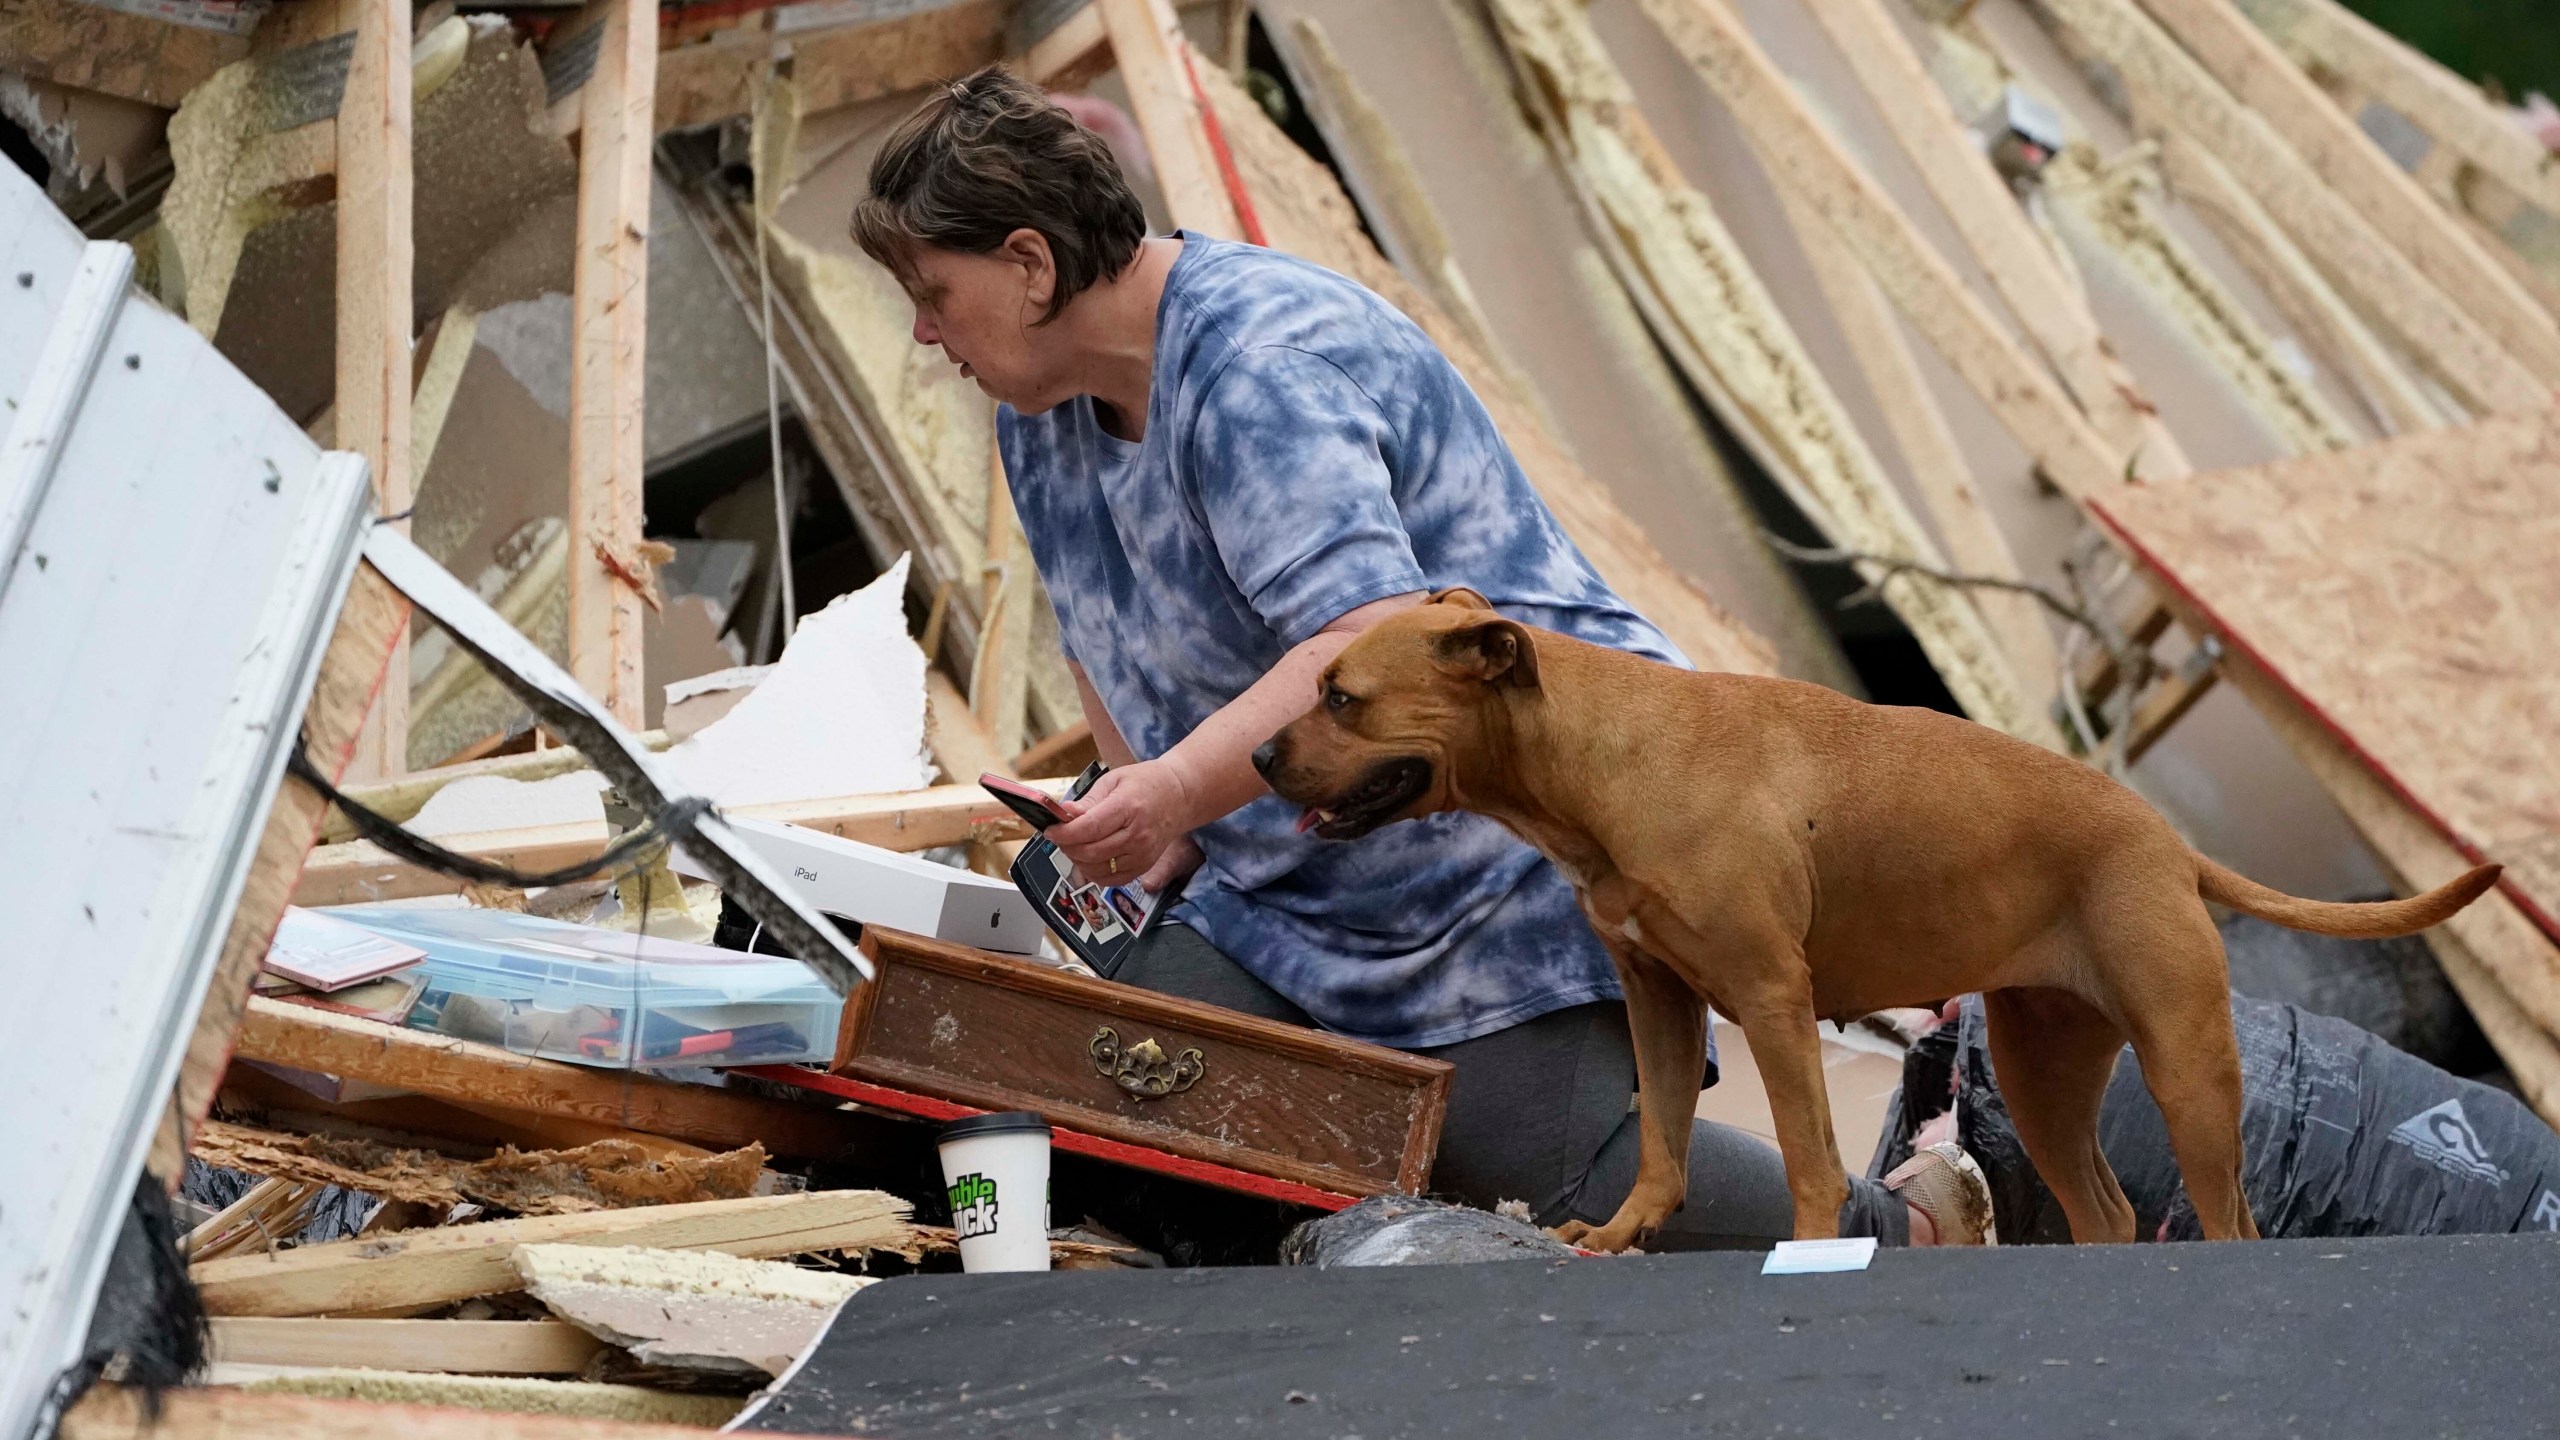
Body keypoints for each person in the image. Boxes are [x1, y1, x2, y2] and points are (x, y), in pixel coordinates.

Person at [851, 67, 1979, 1248]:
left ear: (1030, 265)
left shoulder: (1255, 373)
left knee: (1554, 1190)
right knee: (1171, 1125)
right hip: (1289, 881)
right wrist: (1156, 821)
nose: (925, 332)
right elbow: (1103, 622)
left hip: (1501, 849)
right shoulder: (1040, 413)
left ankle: (1912, 1231)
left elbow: (1362, 642)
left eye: (934, 293)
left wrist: (1181, 786)